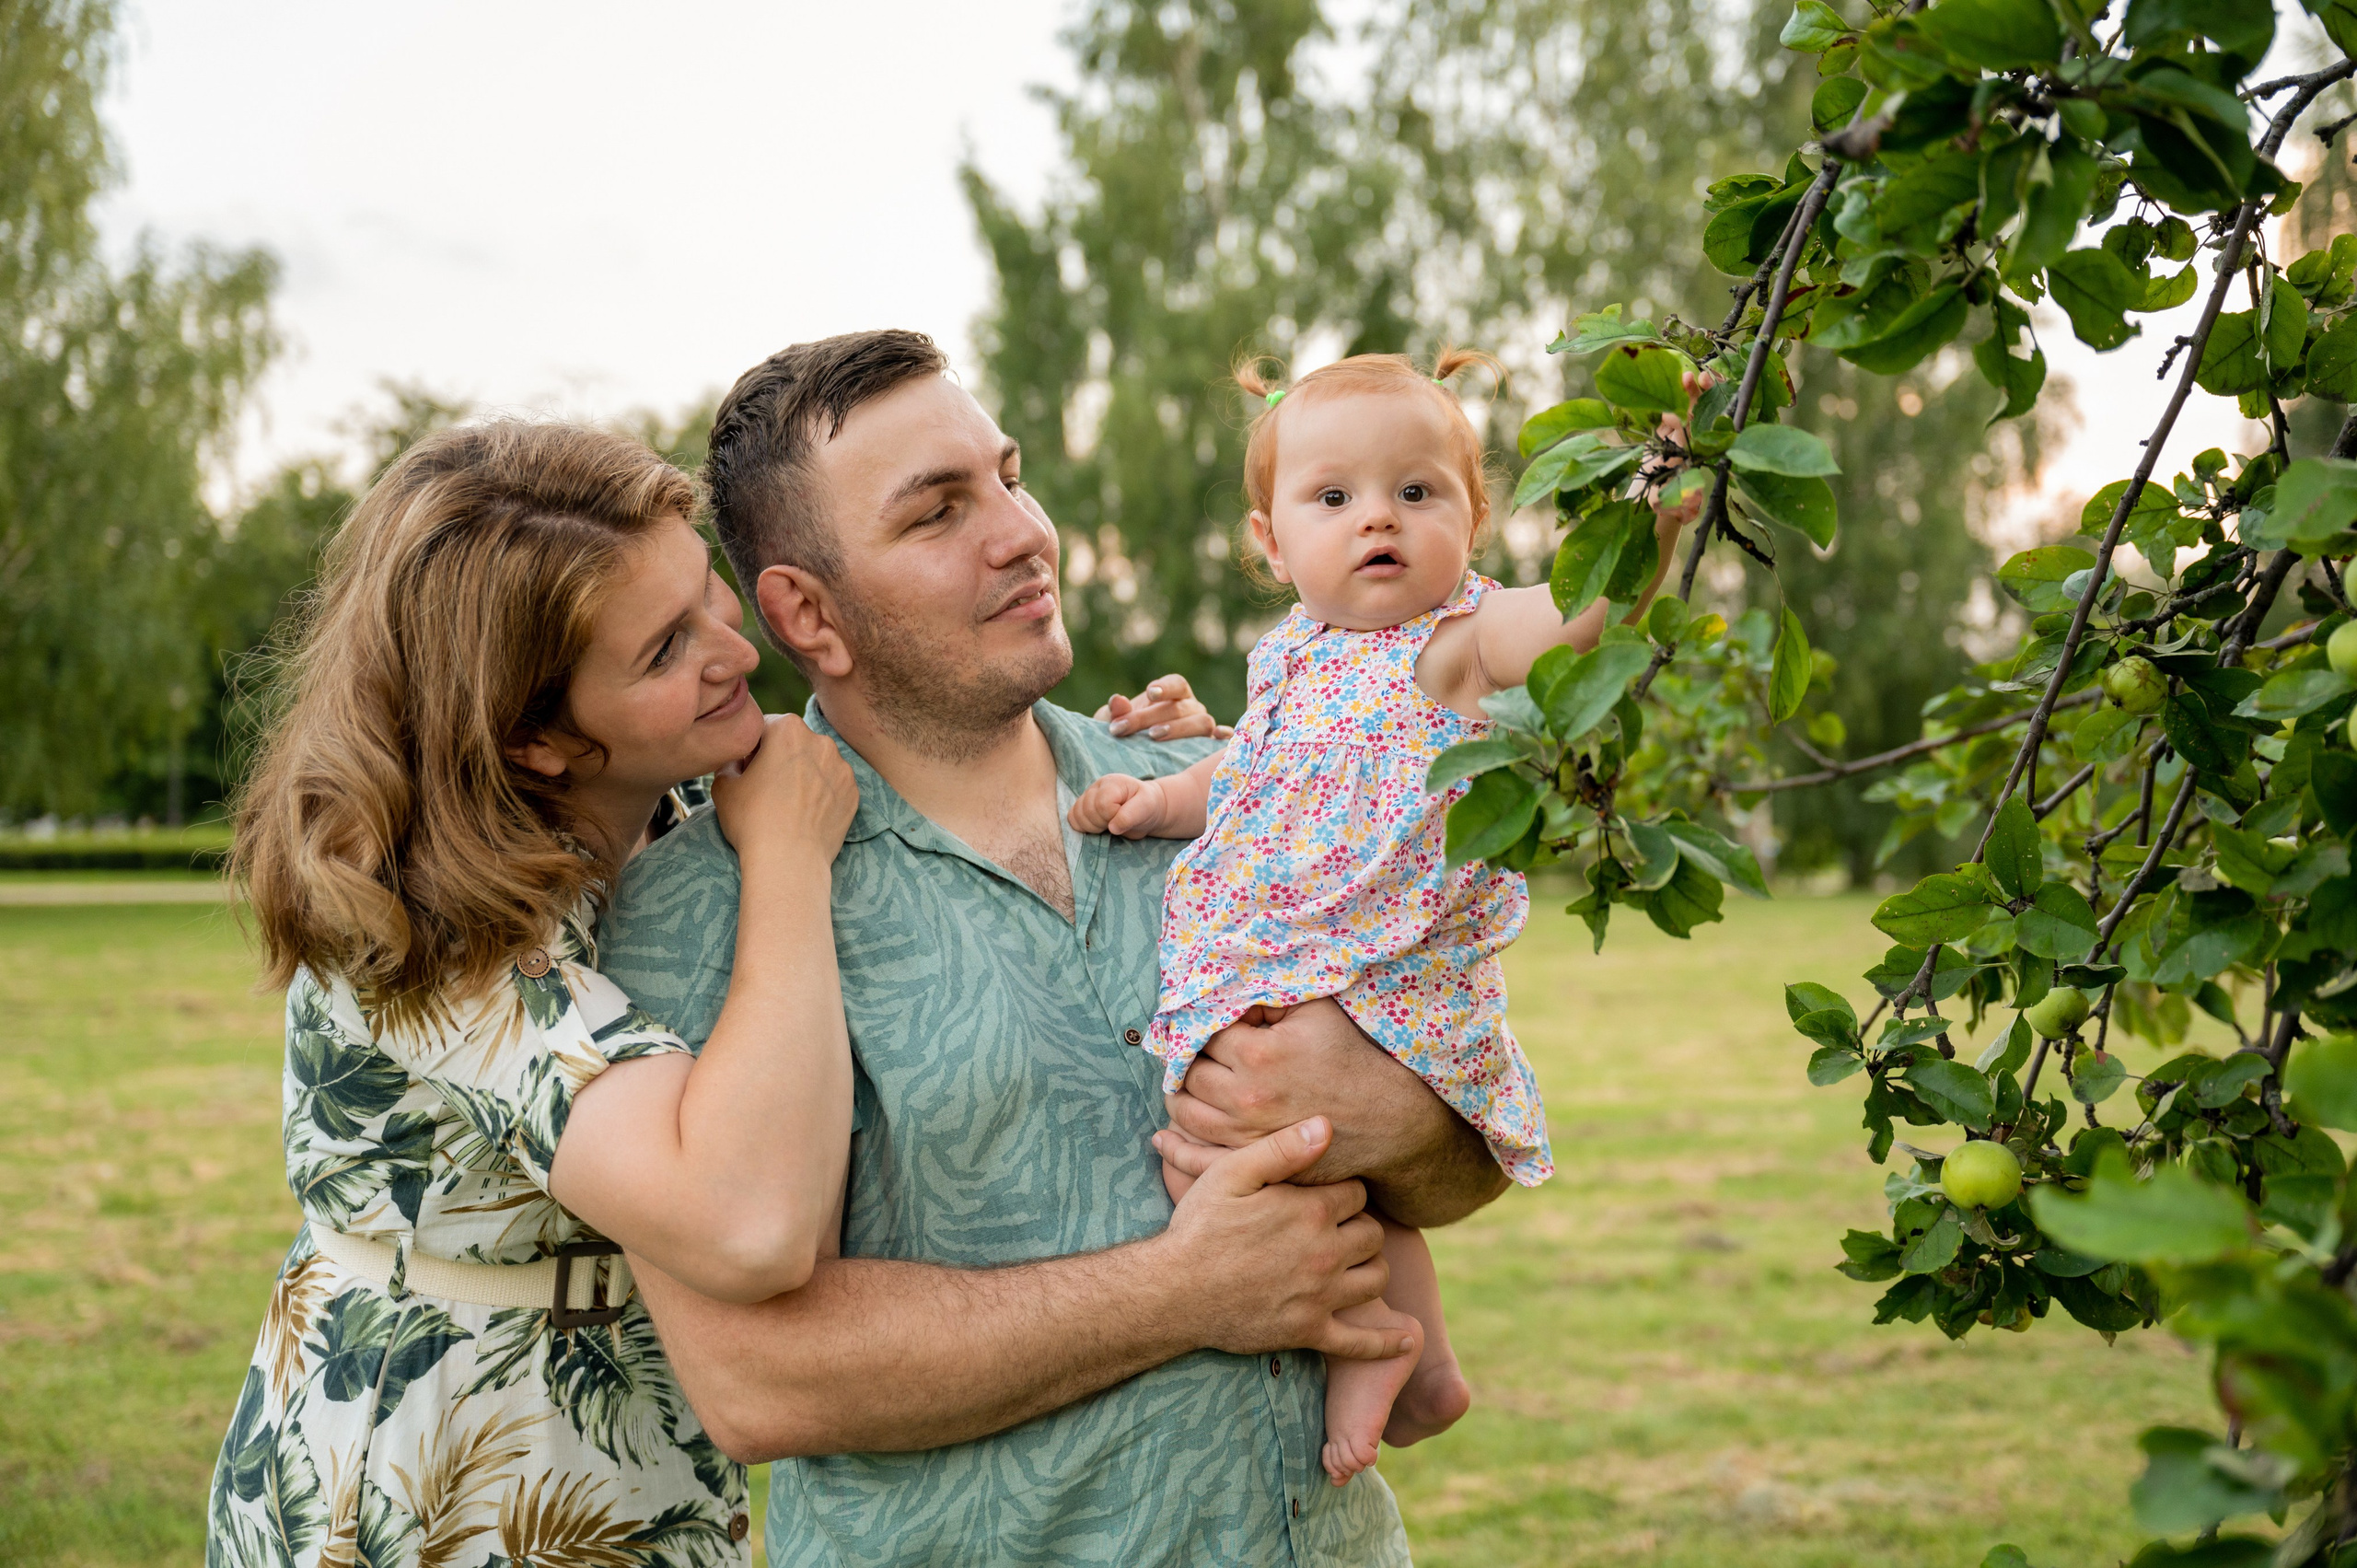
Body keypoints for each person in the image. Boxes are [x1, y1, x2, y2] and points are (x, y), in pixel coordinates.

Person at [599, 330, 1512, 1568]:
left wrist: (1386, 1116)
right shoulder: (703, 905)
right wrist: (1185, 1289)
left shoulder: (1217, 795)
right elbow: (762, 1382)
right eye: (938, 513)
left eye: (1010, 475)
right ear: (807, 611)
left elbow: (1469, 1159)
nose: (1023, 530)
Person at [209, 421, 865, 1568]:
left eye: (708, 592)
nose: (737, 652)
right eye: (666, 651)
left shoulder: (661, 813)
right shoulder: (416, 930)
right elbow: (750, 1221)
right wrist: (787, 861)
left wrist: (1182, 765)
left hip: (628, 1453)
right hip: (443, 1469)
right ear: (532, 738)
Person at [1068, 347, 1689, 1485]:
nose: (1377, 522)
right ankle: (1414, 1351)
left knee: (1292, 1156)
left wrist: (1654, 504)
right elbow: (1248, 776)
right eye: (1334, 497)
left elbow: (1579, 614)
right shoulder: (1289, 661)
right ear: (1270, 541)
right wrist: (1158, 799)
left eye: (1416, 492)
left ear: (1472, 516)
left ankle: (1383, 1347)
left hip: (1386, 965)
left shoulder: (1459, 641)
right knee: (1248, 1171)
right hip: (1287, 955)